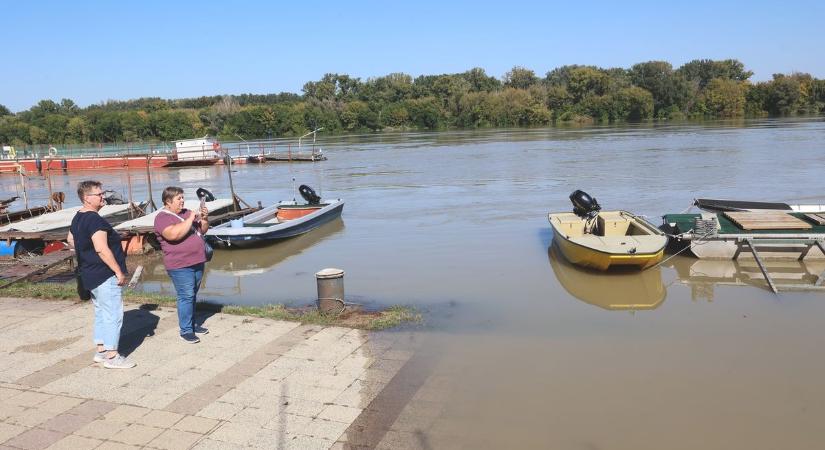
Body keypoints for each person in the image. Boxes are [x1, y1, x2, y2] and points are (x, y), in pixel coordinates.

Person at [67, 181, 135, 369]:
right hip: (104, 274)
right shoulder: (95, 219)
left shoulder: (78, 217)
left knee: (100, 312)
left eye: (102, 193)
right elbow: (101, 249)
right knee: (113, 314)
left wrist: (84, 251)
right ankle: (112, 356)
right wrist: (118, 271)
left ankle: (101, 350)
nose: (103, 196)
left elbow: (70, 239)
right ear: (87, 198)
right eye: (99, 194)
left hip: (89, 273)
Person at [153, 186, 210, 343]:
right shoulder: (162, 218)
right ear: (168, 202)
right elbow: (173, 235)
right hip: (180, 265)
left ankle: (192, 324)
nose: (182, 201)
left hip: (197, 260)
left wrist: (204, 218)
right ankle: (185, 330)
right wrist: (191, 219)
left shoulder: (185, 213)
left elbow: (202, 230)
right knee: (186, 295)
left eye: (183, 197)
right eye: (179, 198)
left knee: (192, 294)